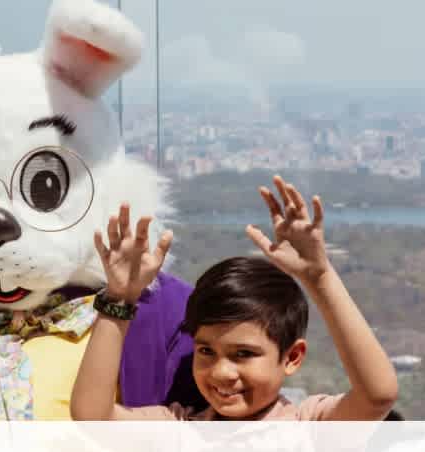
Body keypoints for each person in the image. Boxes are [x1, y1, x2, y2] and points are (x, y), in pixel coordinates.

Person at [71, 176, 399, 421]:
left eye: (243, 354)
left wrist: (320, 277)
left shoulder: (307, 426)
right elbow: (92, 417)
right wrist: (119, 299)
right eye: (206, 351)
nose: (221, 372)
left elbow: (378, 395)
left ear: (292, 356)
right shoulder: (181, 429)